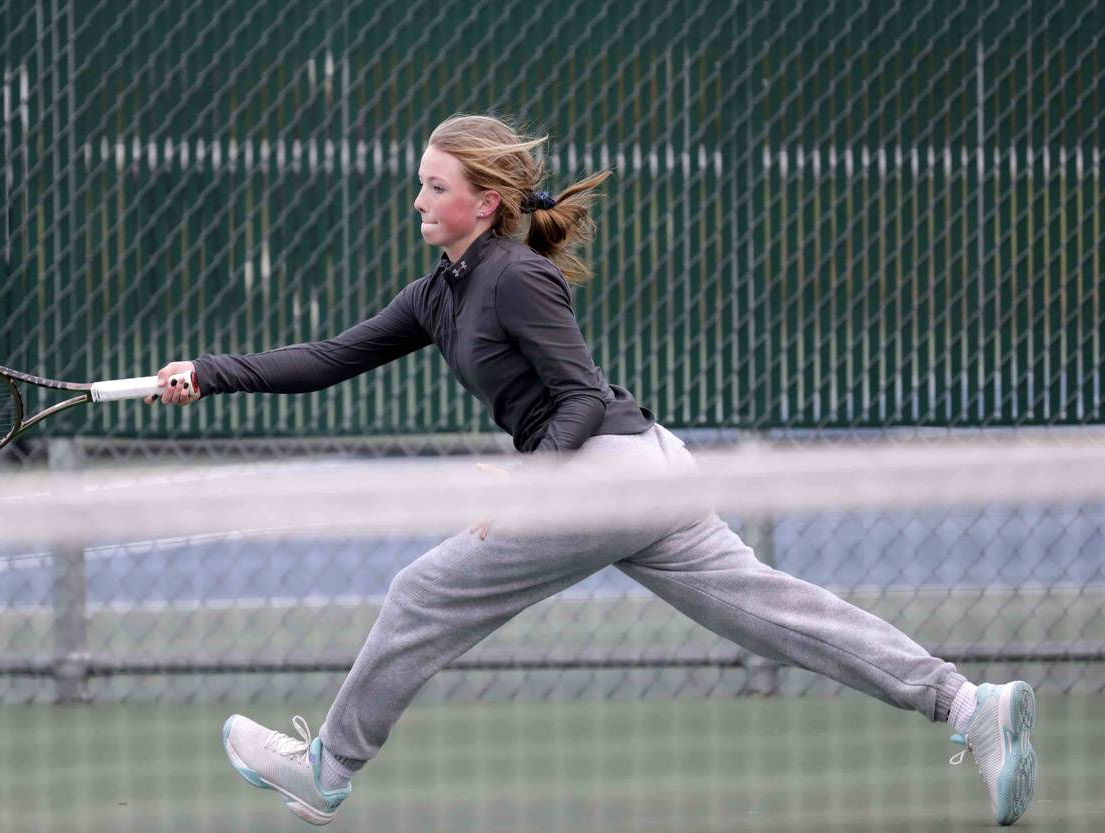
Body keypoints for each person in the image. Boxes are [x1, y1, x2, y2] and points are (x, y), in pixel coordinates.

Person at [144, 114, 1037, 827]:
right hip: (648, 475)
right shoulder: (439, 291)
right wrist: (208, 372)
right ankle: (967, 702)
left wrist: (533, 484)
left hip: (605, 470)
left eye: (434, 185)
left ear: (484, 202)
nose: (416, 196)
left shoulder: (516, 279)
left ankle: (328, 768)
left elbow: (575, 396)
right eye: (422, 181)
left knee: (422, 593)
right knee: (776, 613)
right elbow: (331, 357)